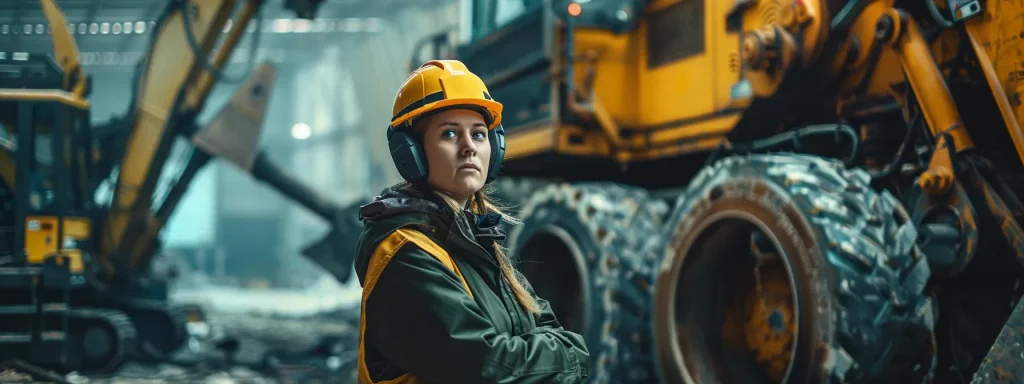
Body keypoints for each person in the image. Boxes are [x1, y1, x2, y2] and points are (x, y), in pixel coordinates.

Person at [353, 60, 590, 384]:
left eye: (478, 134)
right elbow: (485, 367)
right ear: (411, 152)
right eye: (449, 133)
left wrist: (550, 354)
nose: (468, 147)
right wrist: (569, 358)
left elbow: (546, 327)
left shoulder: (474, 242)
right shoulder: (405, 253)